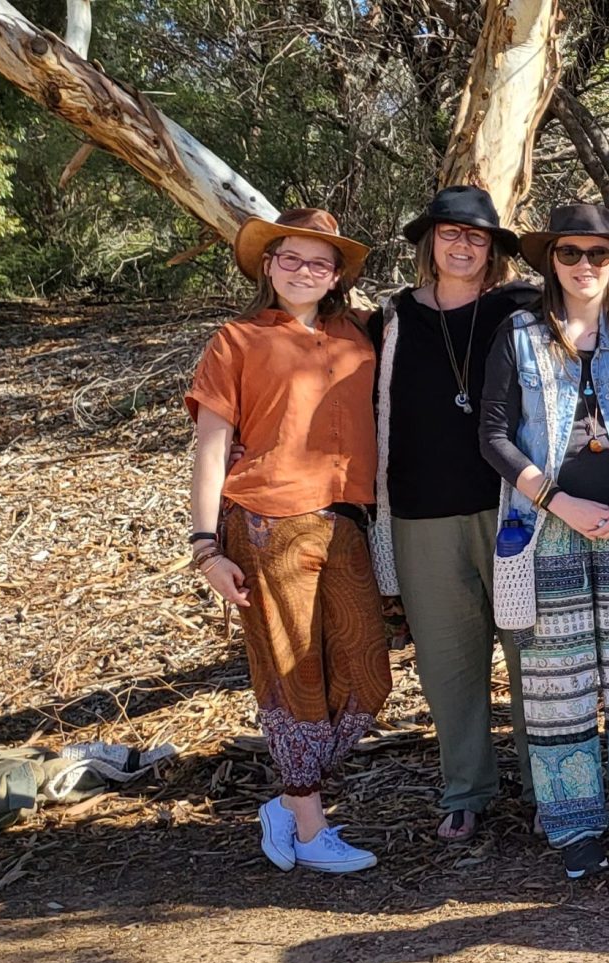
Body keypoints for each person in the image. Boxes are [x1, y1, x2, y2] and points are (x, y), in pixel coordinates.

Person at [478, 202, 609, 879]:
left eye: (599, 254)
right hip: (548, 529)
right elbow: (494, 436)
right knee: (554, 681)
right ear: (551, 262)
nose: (585, 266)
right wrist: (557, 499)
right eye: (571, 253)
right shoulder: (519, 335)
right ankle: (573, 826)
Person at [185, 208, 388, 874]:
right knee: (294, 678)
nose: (305, 271)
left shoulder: (358, 332)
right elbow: (210, 448)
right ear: (268, 265)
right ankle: (309, 826)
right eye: (291, 258)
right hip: (266, 522)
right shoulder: (236, 340)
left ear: (337, 277)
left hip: (347, 523)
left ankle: (287, 798)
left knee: (368, 677)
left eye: (320, 262)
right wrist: (206, 547)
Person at [366, 186, 537, 843]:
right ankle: (466, 790)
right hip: (421, 515)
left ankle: (547, 782)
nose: (462, 245)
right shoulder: (392, 319)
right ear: (428, 243)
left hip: (513, 511)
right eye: (449, 234)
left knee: (532, 655)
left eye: (476, 236)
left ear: (492, 248)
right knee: (448, 664)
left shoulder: (520, 310)